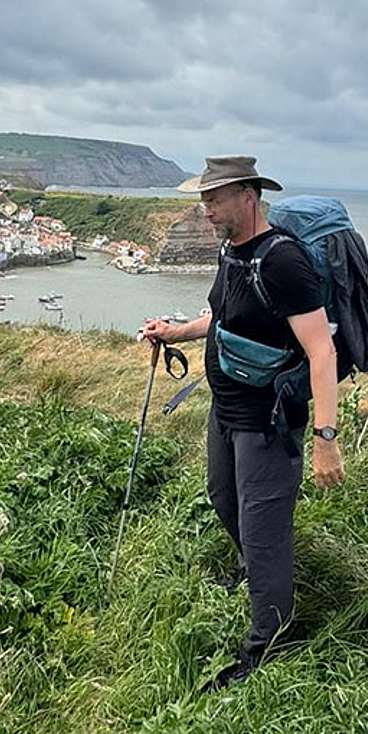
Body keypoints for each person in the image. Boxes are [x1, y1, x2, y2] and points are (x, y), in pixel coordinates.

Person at [141, 154, 344, 691]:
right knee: (222, 499)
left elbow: (321, 351)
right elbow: (224, 317)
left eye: (213, 199)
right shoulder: (233, 253)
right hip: (226, 412)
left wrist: (326, 438)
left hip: (269, 423)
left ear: (247, 197)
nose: (205, 210)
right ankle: (260, 577)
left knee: (264, 530)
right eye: (204, 199)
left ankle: (266, 645)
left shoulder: (284, 261)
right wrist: (175, 332)